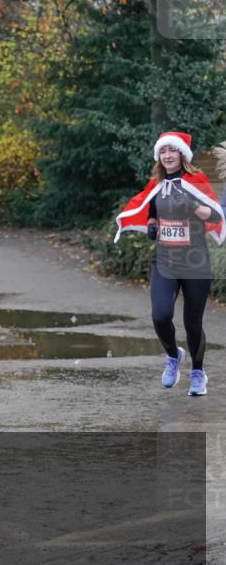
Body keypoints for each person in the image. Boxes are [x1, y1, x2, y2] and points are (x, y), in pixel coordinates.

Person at [115, 132, 225, 396]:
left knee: (193, 323)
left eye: (172, 151)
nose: (167, 156)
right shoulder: (157, 183)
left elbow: (214, 213)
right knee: (160, 315)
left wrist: (193, 206)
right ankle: (173, 354)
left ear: (182, 155)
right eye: (163, 152)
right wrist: (152, 226)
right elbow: (150, 210)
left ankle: (198, 372)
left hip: (195, 261)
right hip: (165, 260)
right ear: (159, 157)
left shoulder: (195, 181)